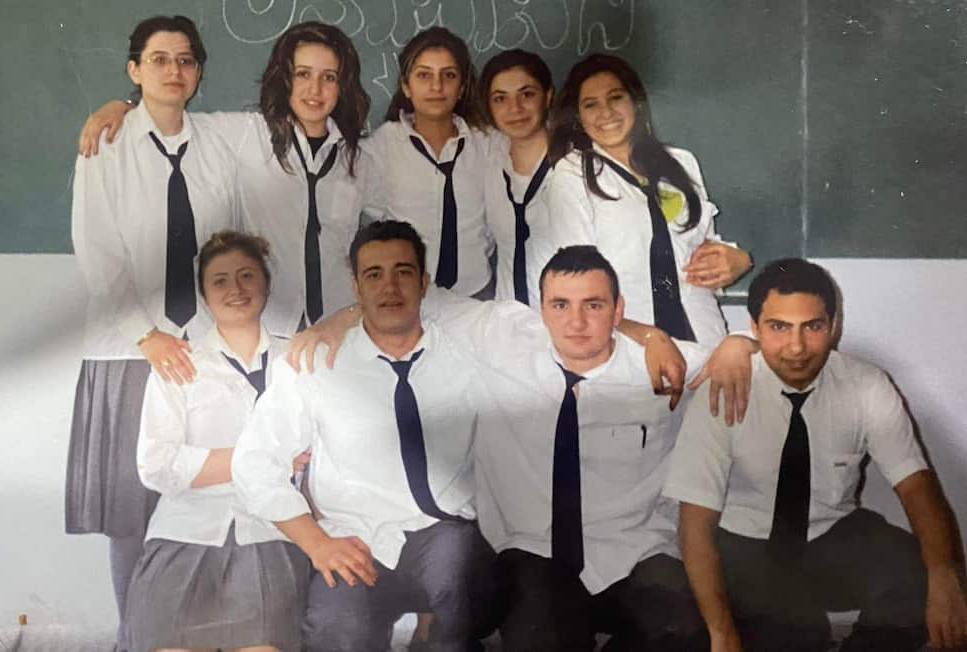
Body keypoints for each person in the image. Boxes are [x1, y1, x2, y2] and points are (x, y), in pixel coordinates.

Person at [294, 246, 762, 651]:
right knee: (541, 634)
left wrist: (739, 344)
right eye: (560, 305)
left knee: (680, 630)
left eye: (594, 305)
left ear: (619, 311)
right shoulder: (504, 338)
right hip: (533, 552)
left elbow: (780, 350)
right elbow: (408, 296)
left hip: (633, 548)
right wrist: (333, 324)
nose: (576, 322)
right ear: (539, 310)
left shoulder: (662, 365)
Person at [664, 258, 967, 652]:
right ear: (755, 328)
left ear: (834, 326)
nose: (796, 347)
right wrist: (722, 635)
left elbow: (917, 487)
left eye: (812, 327)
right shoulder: (726, 387)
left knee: (914, 572)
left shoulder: (866, 385)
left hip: (828, 534)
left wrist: (945, 576)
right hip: (744, 544)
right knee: (793, 636)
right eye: (779, 327)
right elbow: (695, 526)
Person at [232, 220, 493, 652]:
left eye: (403, 272)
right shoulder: (316, 364)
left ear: (425, 283)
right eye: (374, 275)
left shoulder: (467, 353)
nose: (390, 287)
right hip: (353, 538)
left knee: (463, 589)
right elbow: (253, 462)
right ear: (355, 286)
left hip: (441, 533)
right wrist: (315, 542)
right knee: (337, 632)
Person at [68, 15, 237, 650]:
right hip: (131, 352)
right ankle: (134, 639)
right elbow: (98, 255)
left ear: (197, 73)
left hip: (204, 352)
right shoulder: (104, 145)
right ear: (134, 70)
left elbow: (231, 249)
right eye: (159, 59)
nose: (174, 70)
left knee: (204, 499)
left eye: (186, 60)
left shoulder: (218, 146)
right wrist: (147, 335)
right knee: (132, 515)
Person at [78, 21, 373, 336]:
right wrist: (123, 106)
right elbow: (169, 113)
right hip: (267, 330)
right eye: (302, 74)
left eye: (329, 77)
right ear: (285, 78)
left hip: (340, 330)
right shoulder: (247, 134)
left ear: (343, 85)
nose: (315, 90)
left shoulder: (360, 160)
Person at [125, 231, 310, 652]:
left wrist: (223, 463)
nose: (236, 289)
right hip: (184, 533)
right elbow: (155, 463)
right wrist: (262, 458)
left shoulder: (300, 361)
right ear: (205, 297)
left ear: (265, 283)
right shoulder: (179, 363)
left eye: (247, 275)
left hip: (270, 535)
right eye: (220, 281)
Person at [533, 53, 752, 344]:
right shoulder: (571, 174)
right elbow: (579, 282)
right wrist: (648, 337)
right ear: (578, 116)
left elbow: (701, 249)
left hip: (703, 337)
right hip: (629, 344)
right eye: (591, 105)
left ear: (635, 102)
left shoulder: (681, 162)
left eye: (616, 98)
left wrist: (737, 260)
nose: (606, 113)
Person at [365, 27, 501, 298]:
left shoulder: (489, 145)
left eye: (448, 75)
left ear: (462, 87)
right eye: (424, 75)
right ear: (406, 85)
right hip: (406, 298)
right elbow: (376, 222)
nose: (436, 87)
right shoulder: (379, 148)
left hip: (477, 293)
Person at [476, 49, 555, 306]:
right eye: (500, 98)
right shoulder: (489, 162)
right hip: (509, 325)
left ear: (548, 96)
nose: (515, 109)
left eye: (527, 94)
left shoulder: (577, 163)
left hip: (569, 325)